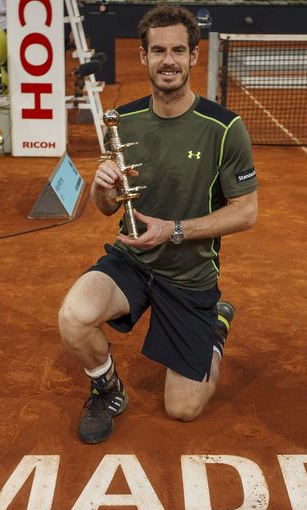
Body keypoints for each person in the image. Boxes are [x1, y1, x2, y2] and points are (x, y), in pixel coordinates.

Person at [58, 4, 258, 444]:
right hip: (132, 261)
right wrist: (101, 186)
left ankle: (215, 330)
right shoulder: (122, 119)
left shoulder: (225, 128)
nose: (169, 60)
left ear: (193, 57)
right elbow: (109, 207)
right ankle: (107, 387)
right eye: (159, 50)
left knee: (183, 410)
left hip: (188, 275)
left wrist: (175, 230)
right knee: (73, 315)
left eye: (178, 51)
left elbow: (246, 211)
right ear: (144, 57)